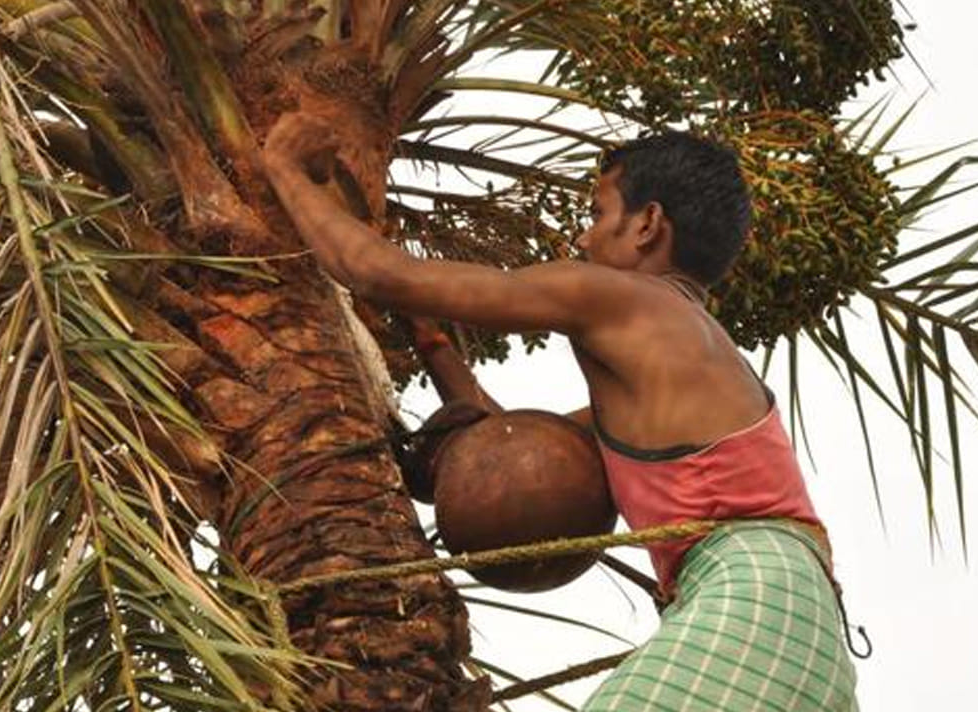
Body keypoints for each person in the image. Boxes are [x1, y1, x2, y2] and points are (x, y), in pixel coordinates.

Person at [262, 112, 860, 711]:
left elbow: (377, 273)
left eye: (598, 215)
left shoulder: (620, 297)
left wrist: (284, 169)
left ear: (648, 224)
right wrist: (430, 340)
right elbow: (513, 444)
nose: (583, 240)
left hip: (755, 606)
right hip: (801, 638)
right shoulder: (687, 365)